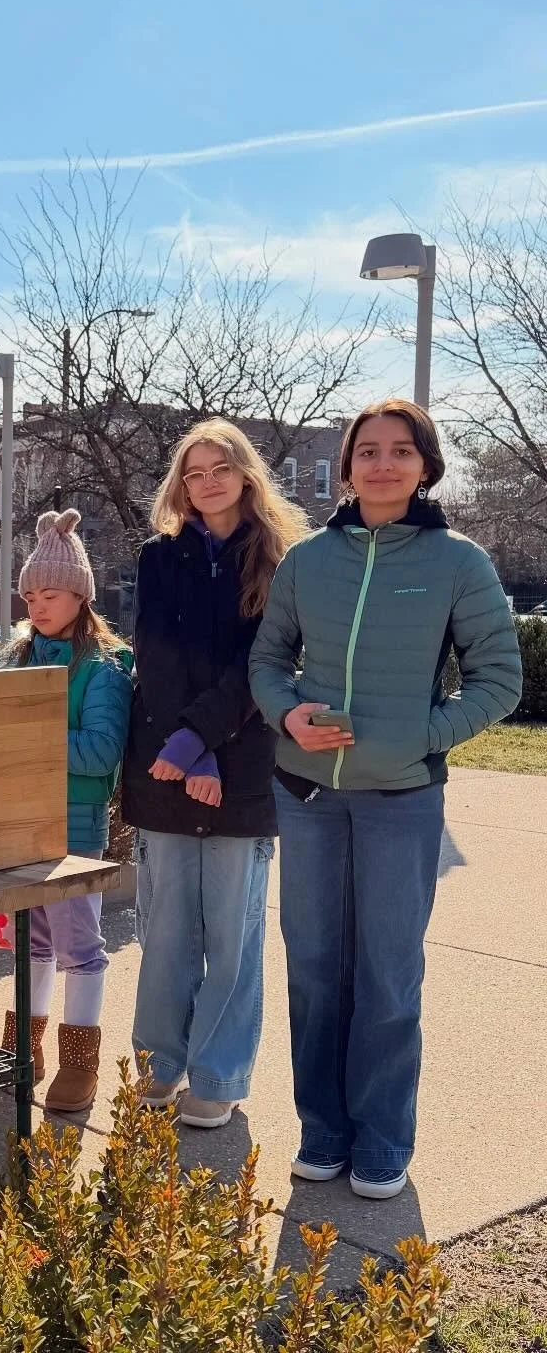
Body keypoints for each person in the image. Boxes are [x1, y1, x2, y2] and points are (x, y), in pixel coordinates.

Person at [250, 398, 521, 1199]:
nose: (381, 464)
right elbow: (268, 663)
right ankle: (323, 1132)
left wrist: (419, 736)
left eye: (400, 451)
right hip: (307, 795)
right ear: (347, 466)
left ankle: (382, 1141)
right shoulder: (308, 560)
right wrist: (287, 712)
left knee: (389, 975)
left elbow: (498, 680)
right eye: (366, 451)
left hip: (402, 800)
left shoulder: (457, 562)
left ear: (425, 465)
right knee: (314, 969)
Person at [126, 418, 310, 1130]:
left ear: (245, 475)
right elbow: (157, 655)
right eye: (193, 471)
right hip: (168, 767)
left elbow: (263, 665)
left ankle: (218, 1075)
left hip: (243, 765)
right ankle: (158, 1066)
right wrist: (186, 750)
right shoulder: (158, 555)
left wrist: (208, 746)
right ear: (181, 482)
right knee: (167, 933)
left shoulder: (280, 560)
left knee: (232, 939)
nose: (206, 482)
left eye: (219, 468)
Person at [0, 509, 131, 1113]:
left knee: (79, 940)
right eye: (28, 596)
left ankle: (80, 1061)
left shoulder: (104, 666)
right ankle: (24, 1042)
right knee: (31, 939)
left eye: (50, 594)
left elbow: (102, 753)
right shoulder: (15, 655)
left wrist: (25, 740)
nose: (37, 606)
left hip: (75, 824)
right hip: (17, 822)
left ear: (81, 595)